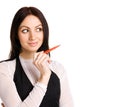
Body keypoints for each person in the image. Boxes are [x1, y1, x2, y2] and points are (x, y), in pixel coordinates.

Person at [0, 6, 73, 107]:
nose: (33, 37)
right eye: (25, 30)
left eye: (38, 29)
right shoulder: (5, 69)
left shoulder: (58, 69)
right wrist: (44, 77)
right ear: (16, 34)